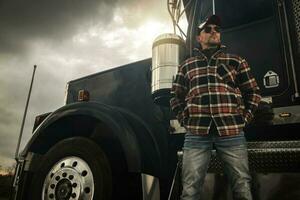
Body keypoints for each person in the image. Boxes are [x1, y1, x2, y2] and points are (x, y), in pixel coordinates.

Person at [170, 15, 261, 200]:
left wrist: (244, 119)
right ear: (199, 38)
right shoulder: (187, 65)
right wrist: (184, 119)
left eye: (217, 30)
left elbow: (253, 92)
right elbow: (175, 97)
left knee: (242, 186)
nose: (214, 32)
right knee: (189, 190)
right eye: (208, 29)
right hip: (196, 134)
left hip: (231, 132)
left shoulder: (236, 61)